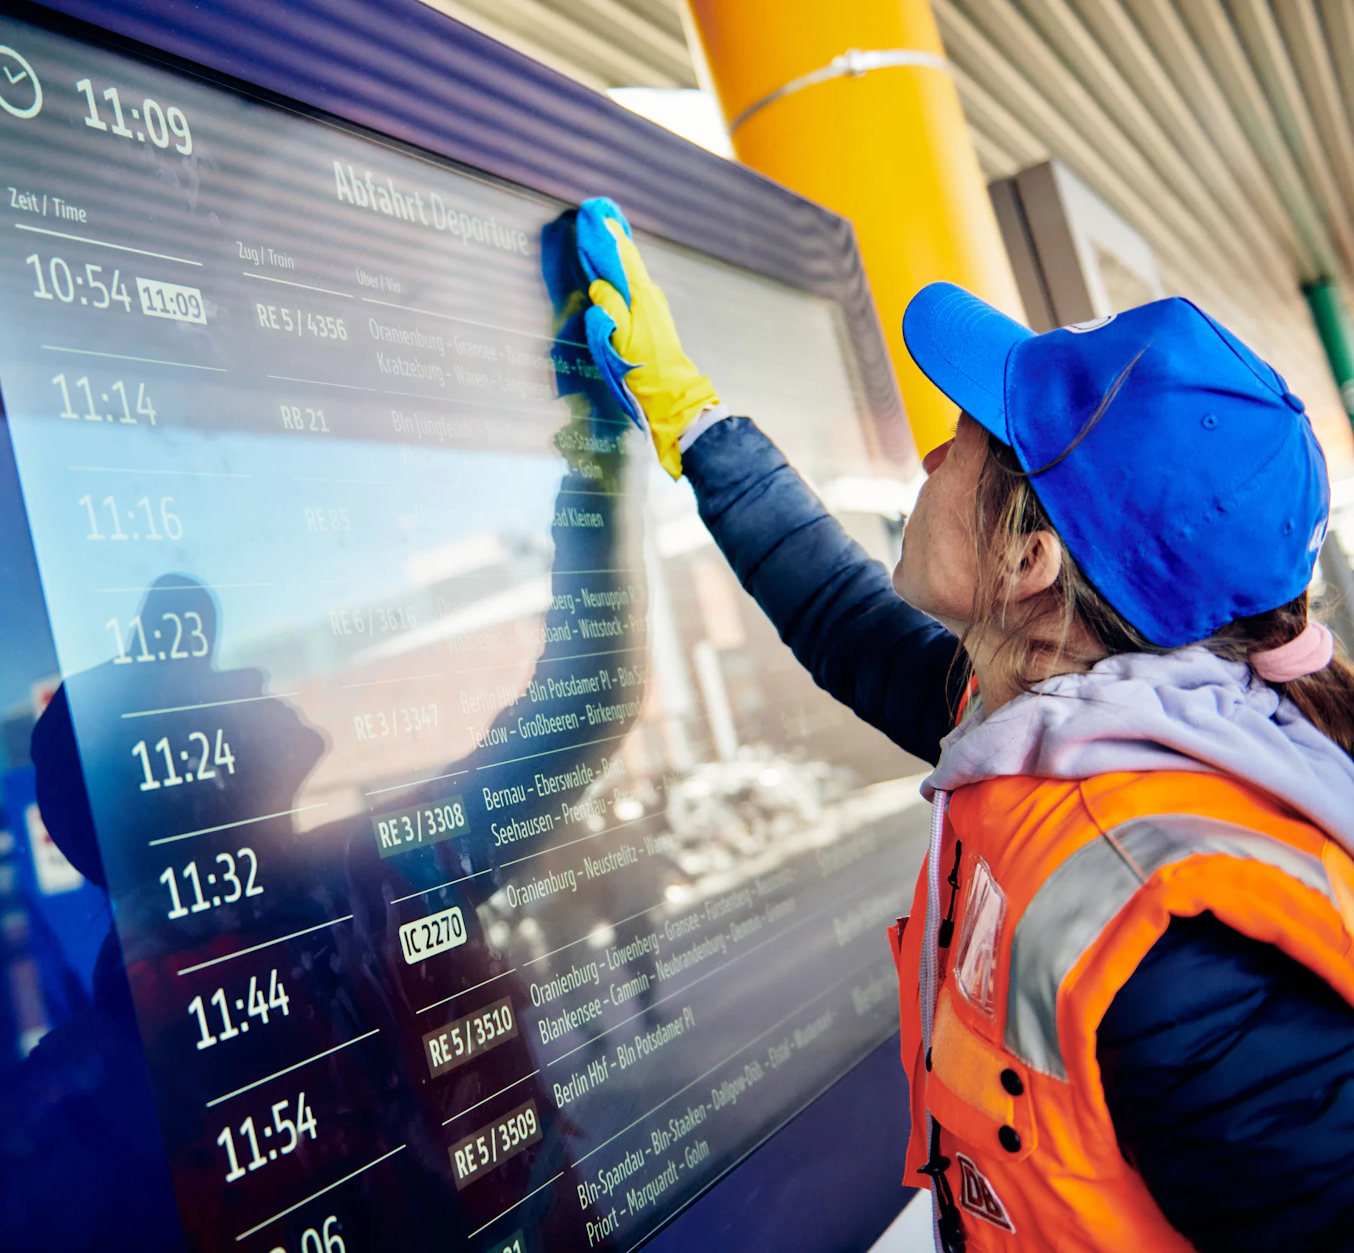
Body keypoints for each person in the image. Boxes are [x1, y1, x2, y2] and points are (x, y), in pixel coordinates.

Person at [571, 196, 1354, 1251]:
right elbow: (847, 621)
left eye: (962, 442)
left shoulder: (1178, 945)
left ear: (1029, 565)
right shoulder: (1071, 714)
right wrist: (691, 419)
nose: (930, 465)